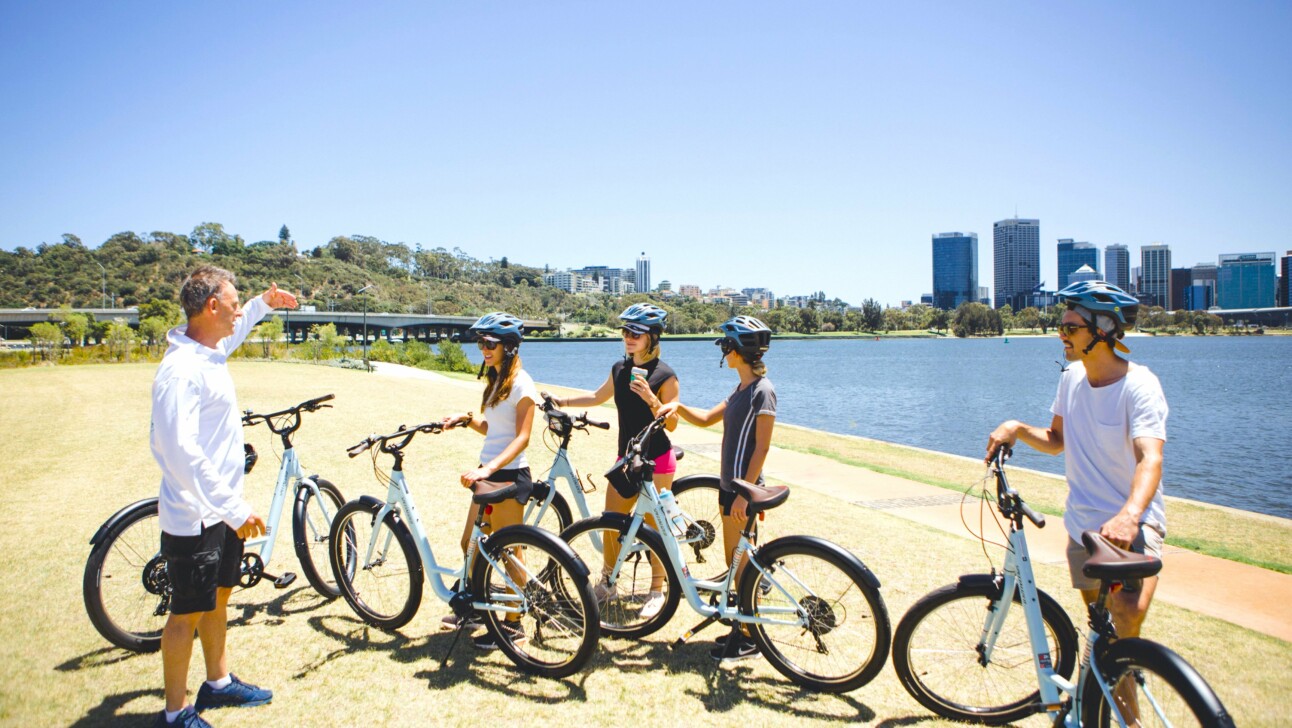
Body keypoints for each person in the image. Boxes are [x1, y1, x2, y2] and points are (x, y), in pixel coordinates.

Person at [150, 266, 297, 728]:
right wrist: (234, 508)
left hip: (224, 511)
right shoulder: (181, 370)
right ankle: (176, 713)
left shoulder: (209, 351)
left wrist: (262, 305)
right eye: (233, 303)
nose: (237, 310)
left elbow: (236, 329)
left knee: (218, 597)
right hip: (196, 515)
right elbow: (178, 451)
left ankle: (217, 682)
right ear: (211, 306)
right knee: (186, 613)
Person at [986, 280, 1168, 645]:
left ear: (1103, 331)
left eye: (1071, 328)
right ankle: (1100, 701)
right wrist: (1016, 428)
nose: (1061, 336)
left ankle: (1113, 698)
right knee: (1102, 630)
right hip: (1082, 529)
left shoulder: (1140, 386)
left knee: (1127, 617)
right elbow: (1057, 441)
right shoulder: (1070, 378)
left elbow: (1150, 457)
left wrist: (1129, 516)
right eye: (1061, 327)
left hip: (1129, 528)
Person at [546, 303, 680, 618]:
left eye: (636, 333)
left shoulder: (666, 375)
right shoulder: (619, 369)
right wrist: (561, 401)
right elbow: (597, 397)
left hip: (657, 458)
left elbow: (672, 424)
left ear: (652, 337)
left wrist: (650, 397)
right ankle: (608, 581)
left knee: (654, 528)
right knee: (610, 521)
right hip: (626, 457)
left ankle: (657, 590)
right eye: (625, 332)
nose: (629, 338)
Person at [656, 315, 777, 662]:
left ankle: (750, 637)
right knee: (736, 561)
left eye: (727, 345)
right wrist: (674, 406)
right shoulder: (741, 389)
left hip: (743, 489)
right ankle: (743, 627)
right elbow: (708, 418)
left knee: (739, 565)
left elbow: (763, 447)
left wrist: (744, 492)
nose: (724, 351)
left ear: (738, 351)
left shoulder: (762, 392)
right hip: (731, 486)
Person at [441, 312, 541, 650]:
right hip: (489, 474)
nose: (483, 348)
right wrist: (466, 420)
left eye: (490, 343)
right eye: (481, 342)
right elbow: (494, 429)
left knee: (510, 552)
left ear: (509, 347)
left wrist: (489, 469)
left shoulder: (523, 384)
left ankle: (514, 624)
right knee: (470, 542)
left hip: (510, 476)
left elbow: (522, 438)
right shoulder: (496, 380)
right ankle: (473, 608)